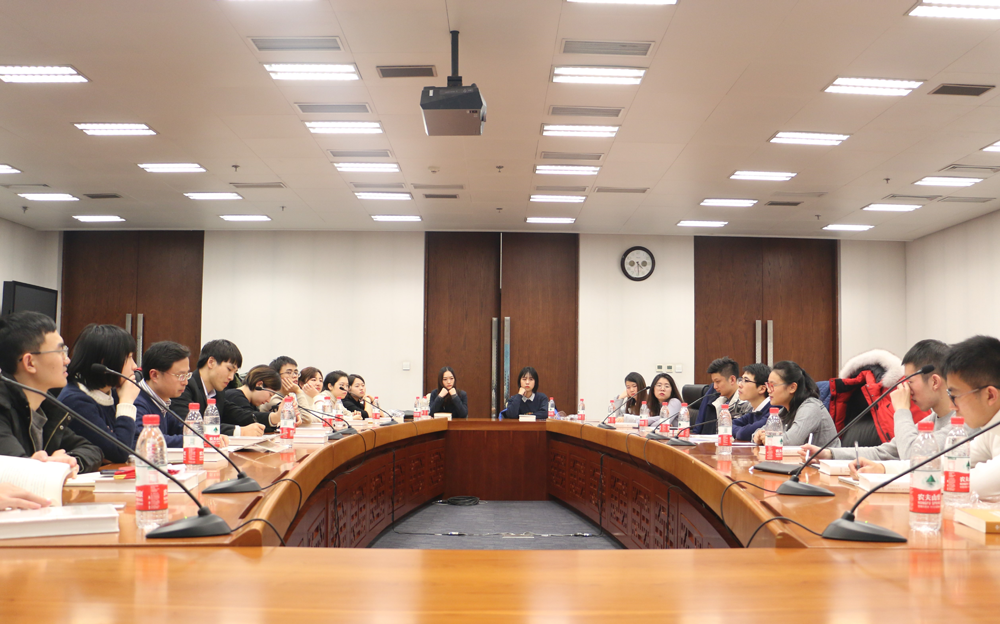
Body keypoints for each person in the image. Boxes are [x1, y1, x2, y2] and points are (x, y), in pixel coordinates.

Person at [849, 336, 1000, 499]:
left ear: (990, 395)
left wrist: (886, 478)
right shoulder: (990, 432)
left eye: (955, 396)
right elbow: (941, 463)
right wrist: (883, 469)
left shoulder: (978, 428)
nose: (952, 406)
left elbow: (970, 483)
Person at [801, 340, 962, 465]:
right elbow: (885, 452)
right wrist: (829, 454)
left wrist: (902, 410)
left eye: (910, 381)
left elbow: (911, 457)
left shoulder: (961, 425)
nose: (905, 388)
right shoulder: (931, 420)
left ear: (934, 382)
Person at [0, 311, 102, 474]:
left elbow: (92, 450)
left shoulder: (47, 408)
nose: (67, 360)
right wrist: (51, 467)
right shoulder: (3, 408)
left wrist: (69, 461)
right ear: (30, 362)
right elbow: (15, 471)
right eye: (60, 352)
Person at [58, 324, 141, 464]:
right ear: (104, 362)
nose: (135, 366)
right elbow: (120, 452)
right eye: (129, 357)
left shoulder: (112, 393)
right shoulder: (75, 401)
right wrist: (126, 402)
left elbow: (135, 442)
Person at [131, 341, 226, 449]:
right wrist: (198, 440)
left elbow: (183, 429)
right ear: (155, 375)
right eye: (180, 376)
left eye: (187, 375)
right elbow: (144, 440)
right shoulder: (136, 402)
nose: (185, 382)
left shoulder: (162, 402)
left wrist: (210, 437)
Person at [171, 340, 264, 437]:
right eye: (229, 369)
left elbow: (237, 414)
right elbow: (189, 427)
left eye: (234, 372)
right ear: (211, 362)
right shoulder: (185, 387)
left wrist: (271, 418)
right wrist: (240, 431)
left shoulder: (218, 392)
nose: (231, 378)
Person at [753, 360, 839, 447]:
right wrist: (758, 436)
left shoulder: (810, 407)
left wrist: (768, 438)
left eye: (772, 385)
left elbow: (792, 441)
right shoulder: (786, 410)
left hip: (825, 456)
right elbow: (760, 432)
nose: (768, 390)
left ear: (792, 387)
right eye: (768, 385)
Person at [694, 357, 750, 435]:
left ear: (732, 380)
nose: (714, 387)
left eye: (718, 382)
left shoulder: (746, 402)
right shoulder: (714, 397)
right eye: (713, 382)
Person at [225, 366, 286, 433]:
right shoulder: (235, 397)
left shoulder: (251, 401)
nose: (268, 400)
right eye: (270, 395)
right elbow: (252, 424)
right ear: (259, 385)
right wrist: (275, 417)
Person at [732, 364, 773, 441]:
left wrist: (741, 431)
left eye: (746, 381)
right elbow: (730, 425)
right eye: (741, 380)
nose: (739, 385)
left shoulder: (774, 410)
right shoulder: (754, 411)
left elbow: (745, 434)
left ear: (762, 389)